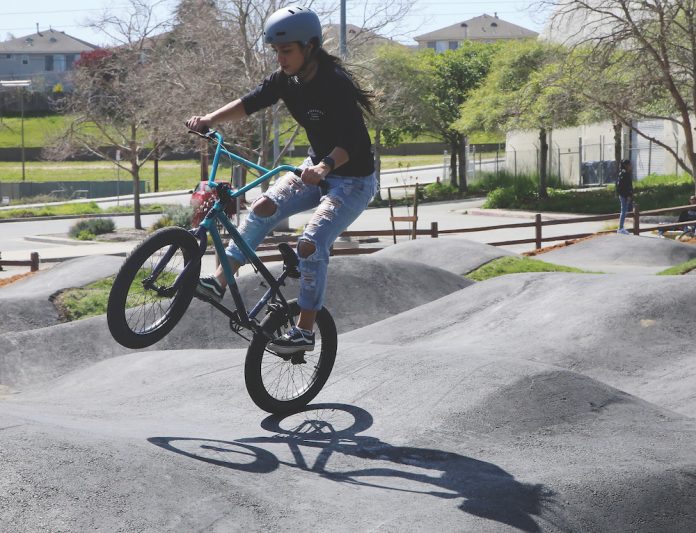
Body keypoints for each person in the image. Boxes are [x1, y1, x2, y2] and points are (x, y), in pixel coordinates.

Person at [186, 6, 377, 354]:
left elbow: (355, 141)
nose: (280, 58)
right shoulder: (284, 80)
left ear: (310, 47)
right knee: (262, 206)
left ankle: (304, 331)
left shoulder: (336, 83)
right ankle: (219, 281)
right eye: (275, 51)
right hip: (314, 168)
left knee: (310, 243)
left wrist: (325, 167)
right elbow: (250, 102)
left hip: (352, 180)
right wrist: (210, 119)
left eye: (286, 51)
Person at [615, 159, 633, 235]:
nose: (630, 166)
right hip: (624, 196)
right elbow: (625, 186)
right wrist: (628, 195)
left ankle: (621, 227)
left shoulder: (623, 173)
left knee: (624, 211)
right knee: (623, 211)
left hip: (624, 195)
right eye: (629, 165)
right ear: (626, 165)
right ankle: (620, 228)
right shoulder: (624, 174)